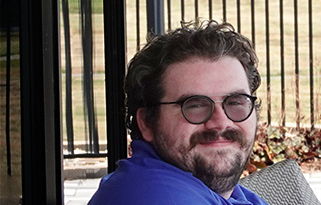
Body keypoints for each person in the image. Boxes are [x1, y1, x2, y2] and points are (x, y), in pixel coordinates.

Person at [90, 20, 268, 205]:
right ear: (147, 122)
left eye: (235, 102)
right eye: (195, 105)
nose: (221, 122)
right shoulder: (156, 196)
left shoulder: (221, 193)